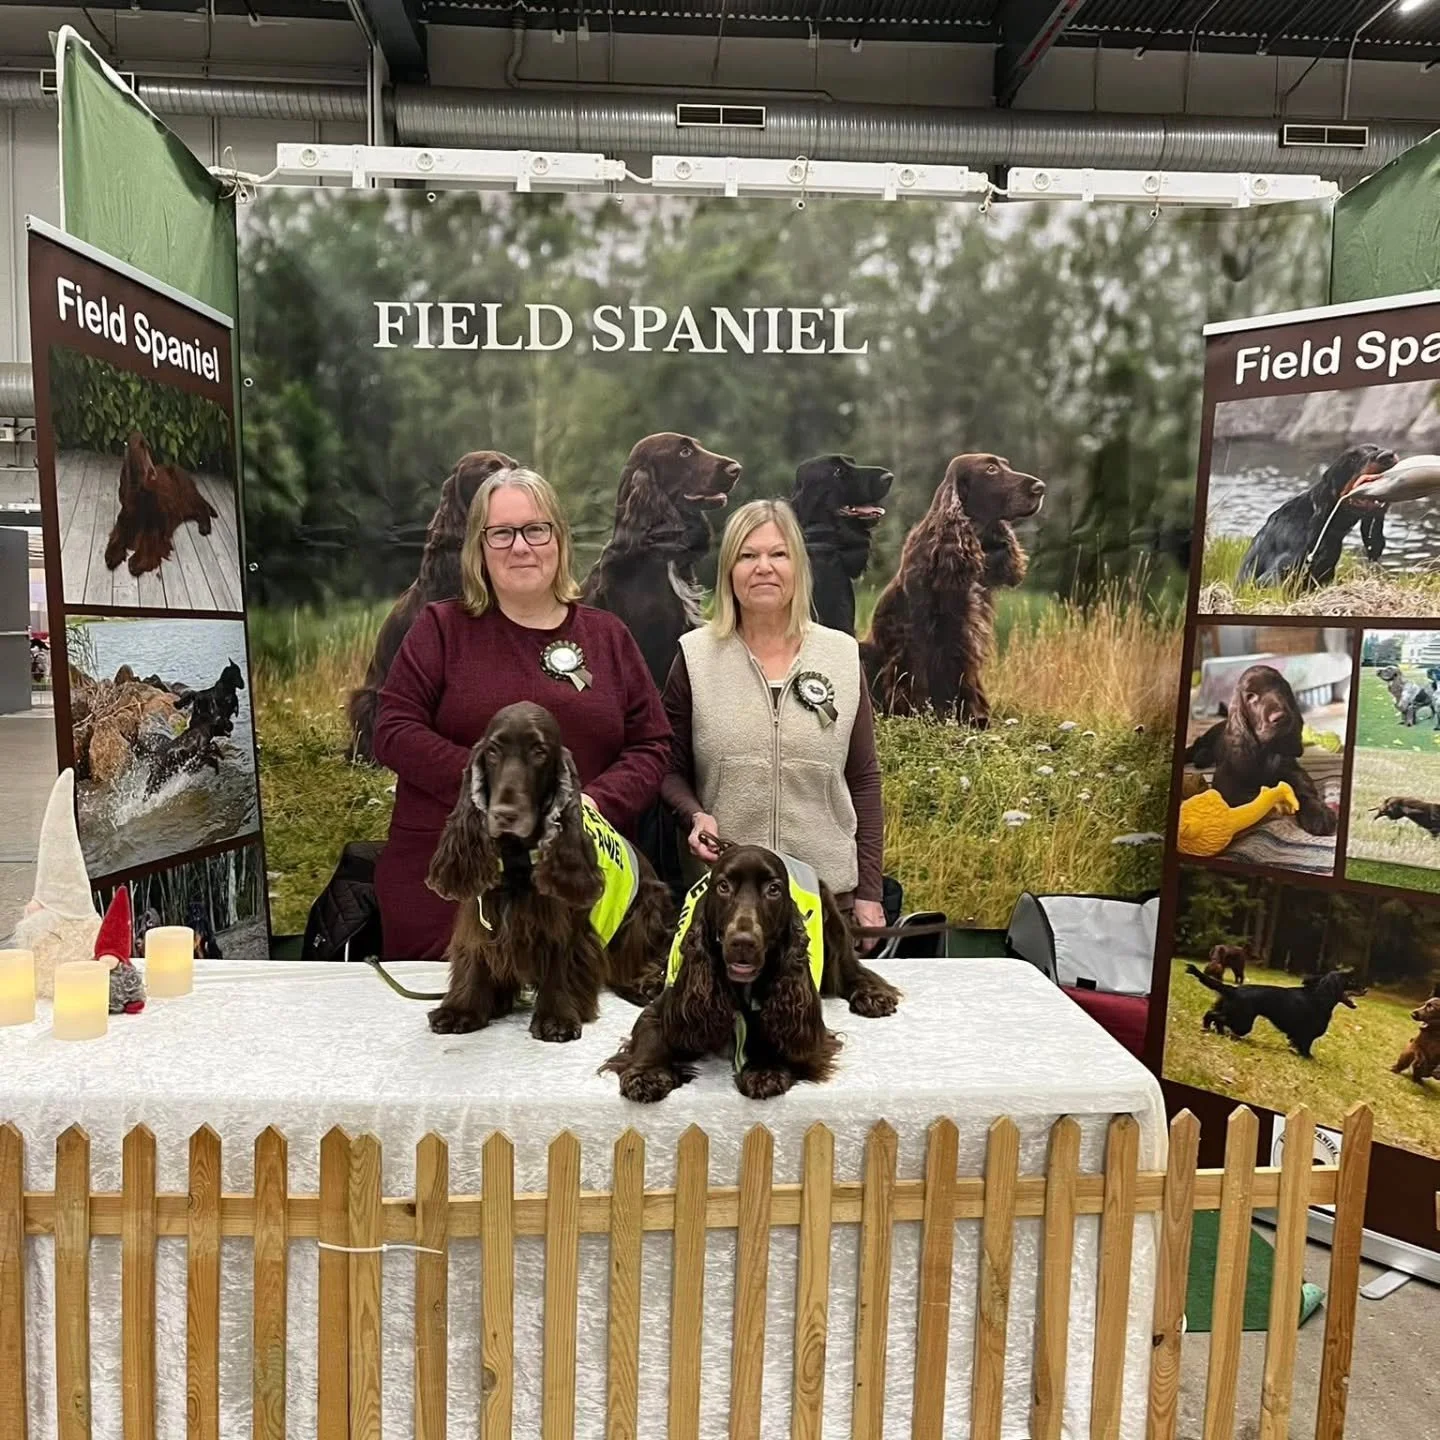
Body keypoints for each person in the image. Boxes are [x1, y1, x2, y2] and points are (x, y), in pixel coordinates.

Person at [372, 466, 670, 958]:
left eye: (535, 529)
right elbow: (394, 730)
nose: (520, 546)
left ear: (558, 540)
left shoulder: (608, 636)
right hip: (455, 886)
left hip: (574, 887)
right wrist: (491, 790)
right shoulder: (439, 629)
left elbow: (652, 743)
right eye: (502, 533)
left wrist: (589, 803)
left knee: (572, 1027)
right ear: (479, 548)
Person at [661, 498, 886, 942]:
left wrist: (869, 893)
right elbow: (668, 768)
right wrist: (694, 815)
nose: (763, 567)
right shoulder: (694, 657)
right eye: (748, 555)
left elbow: (863, 778)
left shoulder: (841, 655)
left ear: (798, 568)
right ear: (729, 570)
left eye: (778, 554)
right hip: (728, 908)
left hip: (826, 903)